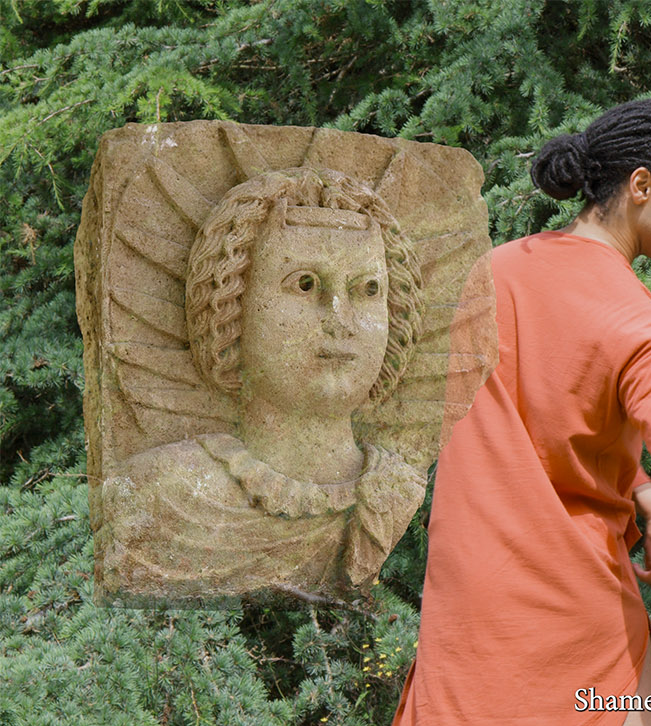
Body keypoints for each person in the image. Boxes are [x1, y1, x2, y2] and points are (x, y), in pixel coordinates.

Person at [389, 99, 651, 726]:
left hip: (467, 620)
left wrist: (637, 487)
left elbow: (535, 416)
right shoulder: (650, 339)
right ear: (640, 186)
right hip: (580, 633)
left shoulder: (490, 275)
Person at [104, 167, 427, 602]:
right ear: (230, 308)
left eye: (368, 289)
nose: (340, 319)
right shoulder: (159, 494)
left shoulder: (401, 493)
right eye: (305, 284)